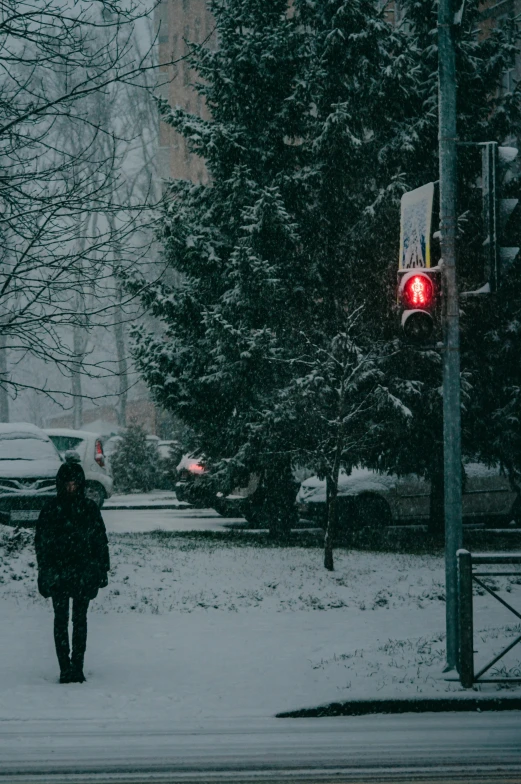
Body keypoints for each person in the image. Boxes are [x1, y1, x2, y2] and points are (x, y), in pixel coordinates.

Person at [35, 460, 110, 683]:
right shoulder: (52, 509)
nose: (70, 487)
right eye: (67, 483)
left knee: (79, 620)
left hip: (81, 573)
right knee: (62, 620)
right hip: (62, 573)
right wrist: (45, 571)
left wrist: (102, 568)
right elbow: (42, 544)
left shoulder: (87, 509)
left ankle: (76, 666)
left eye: (74, 483)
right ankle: (64, 668)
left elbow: (100, 541)